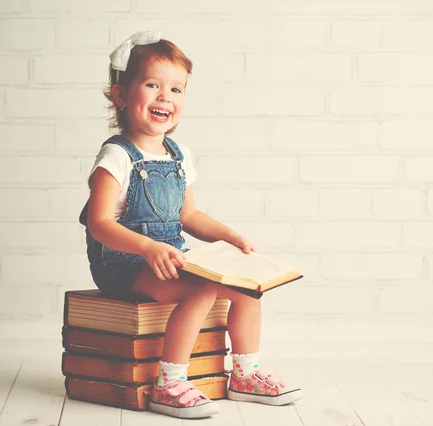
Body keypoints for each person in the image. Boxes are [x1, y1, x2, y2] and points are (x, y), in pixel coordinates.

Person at [79, 31, 303, 419]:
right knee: (200, 290)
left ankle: (245, 374)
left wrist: (228, 236)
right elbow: (98, 223)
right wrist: (147, 248)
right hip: (123, 262)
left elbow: (188, 216)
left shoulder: (178, 154)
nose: (165, 96)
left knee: (246, 289)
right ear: (121, 95)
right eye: (152, 85)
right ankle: (169, 382)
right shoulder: (116, 155)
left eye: (176, 89)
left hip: (169, 255)